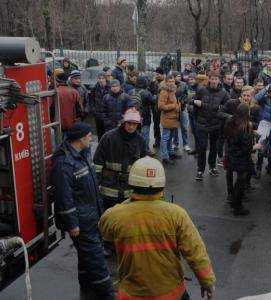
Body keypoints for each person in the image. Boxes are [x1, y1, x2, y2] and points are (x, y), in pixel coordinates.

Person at [99, 156, 216, 300]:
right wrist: (207, 282)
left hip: (132, 294)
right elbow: (196, 251)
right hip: (171, 294)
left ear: (132, 182)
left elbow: (104, 231)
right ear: (162, 184)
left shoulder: (114, 215)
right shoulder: (176, 214)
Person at [52, 123, 115, 299]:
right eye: (88, 135)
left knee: (87, 257)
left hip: (90, 216)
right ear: (80, 138)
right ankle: (108, 294)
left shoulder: (82, 155)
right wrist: (72, 224)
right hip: (81, 222)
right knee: (96, 259)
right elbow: (64, 197)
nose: (90, 138)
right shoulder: (64, 163)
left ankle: (87, 288)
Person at [94, 109, 147, 211]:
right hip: (109, 191)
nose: (131, 126)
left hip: (130, 192)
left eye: (134, 124)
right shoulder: (108, 137)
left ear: (138, 124)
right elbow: (97, 164)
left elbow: (144, 165)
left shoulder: (140, 141)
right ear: (124, 122)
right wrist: (95, 188)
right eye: (129, 123)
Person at [192, 71, 229, 180]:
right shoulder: (201, 90)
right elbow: (192, 102)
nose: (213, 81)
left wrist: (217, 108)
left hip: (216, 124)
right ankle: (200, 170)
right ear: (209, 79)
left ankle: (212, 167)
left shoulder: (224, 93)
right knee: (202, 147)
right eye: (212, 79)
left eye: (215, 79)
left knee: (214, 147)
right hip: (201, 124)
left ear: (219, 80)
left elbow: (226, 107)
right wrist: (195, 103)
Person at [224, 103, 259, 216]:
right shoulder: (246, 127)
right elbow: (247, 148)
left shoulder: (230, 122)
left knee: (236, 179)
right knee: (241, 181)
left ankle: (234, 201)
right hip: (241, 159)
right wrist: (256, 146)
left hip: (230, 155)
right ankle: (237, 207)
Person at [158, 75, 181, 165]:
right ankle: (165, 157)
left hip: (173, 118)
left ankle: (170, 153)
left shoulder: (173, 91)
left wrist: (179, 106)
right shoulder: (164, 92)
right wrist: (174, 106)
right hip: (167, 118)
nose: (171, 83)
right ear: (166, 82)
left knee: (170, 138)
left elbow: (175, 102)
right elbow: (160, 106)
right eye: (169, 81)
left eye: (173, 81)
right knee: (165, 138)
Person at [55, 71, 83, 136]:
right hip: (71, 122)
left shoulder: (54, 92)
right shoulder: (74, 92)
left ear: (57, 80)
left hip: (58, 123)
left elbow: (51, 109)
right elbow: (80, 109)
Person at [135, 75, 155, 153]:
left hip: (135, 116)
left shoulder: (132, 91)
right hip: (145, 116)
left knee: (136, 134)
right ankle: (145, 150)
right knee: (145, 135)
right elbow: (153, 101)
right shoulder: (146, 93)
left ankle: (137, 151)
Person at [173, 71, 191, 152]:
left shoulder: (184, 84)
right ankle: (175, 143)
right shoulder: (171, 85)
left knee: (184, 127)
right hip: (174, 109)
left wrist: (183, 101)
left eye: (180, 76)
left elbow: (187, 95)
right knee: (175, 127)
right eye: (177, 76)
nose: (179, 77)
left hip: (183, 108)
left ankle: (185, 144)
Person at [148, 67, 166, 149]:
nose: (156, 76)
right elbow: (150, 92)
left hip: (164, 107)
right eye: (156, 74)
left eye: (158, 74)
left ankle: (166, 140)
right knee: (156, 124)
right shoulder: (153, 82)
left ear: (163, 75)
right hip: (155, 107)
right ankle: (157, 139)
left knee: (166, 124)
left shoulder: (166, 83)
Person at [90, 72, 110, 141]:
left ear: (105, 79)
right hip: (98, 114)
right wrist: (93, 110)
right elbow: (91, 100)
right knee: (99, 132)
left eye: (102, 78)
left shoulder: (109, 88)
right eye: (99, 78)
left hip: (107, 114)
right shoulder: (94, 88)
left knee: (107, 132)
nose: (101, 80)